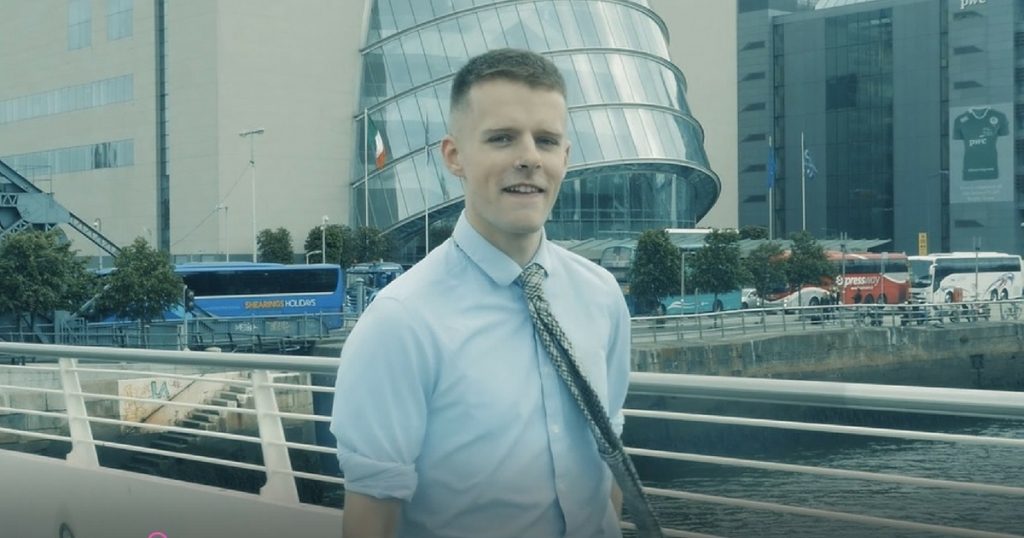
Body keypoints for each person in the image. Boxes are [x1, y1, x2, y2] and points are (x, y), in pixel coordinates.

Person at [330, 48, 631, 538]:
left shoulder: (601, 296)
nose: (529, 158)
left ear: (566, 157)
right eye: (502, 138)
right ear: (454, 156)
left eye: (547, 140)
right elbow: (371, 517)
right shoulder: (401, 321)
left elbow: (608, 452)